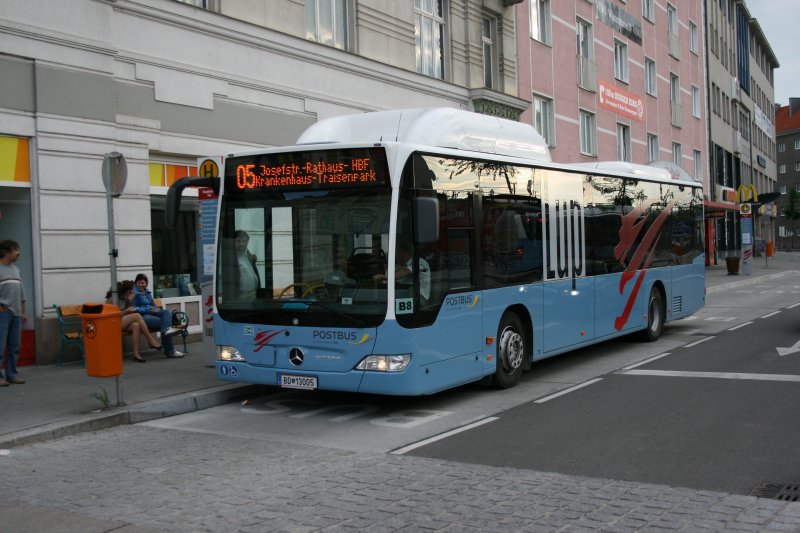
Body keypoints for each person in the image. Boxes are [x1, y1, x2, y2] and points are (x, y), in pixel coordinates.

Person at [106, 280, 161, 363]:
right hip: (111, 323)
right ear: (124, 291)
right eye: (129, 292)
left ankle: (136, 354)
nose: (130, 293)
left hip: (121, 322)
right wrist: (126, 311)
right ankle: (151, 340)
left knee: (136, 325)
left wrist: (131, 305)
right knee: (137, 316)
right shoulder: (112, 299)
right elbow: (110, 316)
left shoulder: (126, 298)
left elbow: (128, 311)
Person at [131, 273, 183, 358]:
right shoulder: (134, 294)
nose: (140, 285)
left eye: (142, 283)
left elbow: (153, 305)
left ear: (146, 283)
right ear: (135, 283)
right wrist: (147, 309)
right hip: (143, 317)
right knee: (165, 325)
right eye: (138, 283)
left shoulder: (147, 292)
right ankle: (170, 351)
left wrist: (156, 309)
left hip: (152, 314)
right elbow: (133, 309)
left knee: (166, 312)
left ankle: (168, 338)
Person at [0, 240, 27, 386]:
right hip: (3, 313)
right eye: (15, 249)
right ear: (6, 252)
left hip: (16, 314)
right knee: (0, 345)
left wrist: (23, 311)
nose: (18, 252)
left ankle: (11, 374)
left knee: (14, 346)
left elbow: (21, 291)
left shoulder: (16, 270)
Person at [234, 230, 260, 298]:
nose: (241, 244)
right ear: (233, 241)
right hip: (242, 296)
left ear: (247, 242)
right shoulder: (231, 256)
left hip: (253, 294)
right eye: (238, 241)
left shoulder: (246, 252)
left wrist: (253, 258)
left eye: (244, 241)